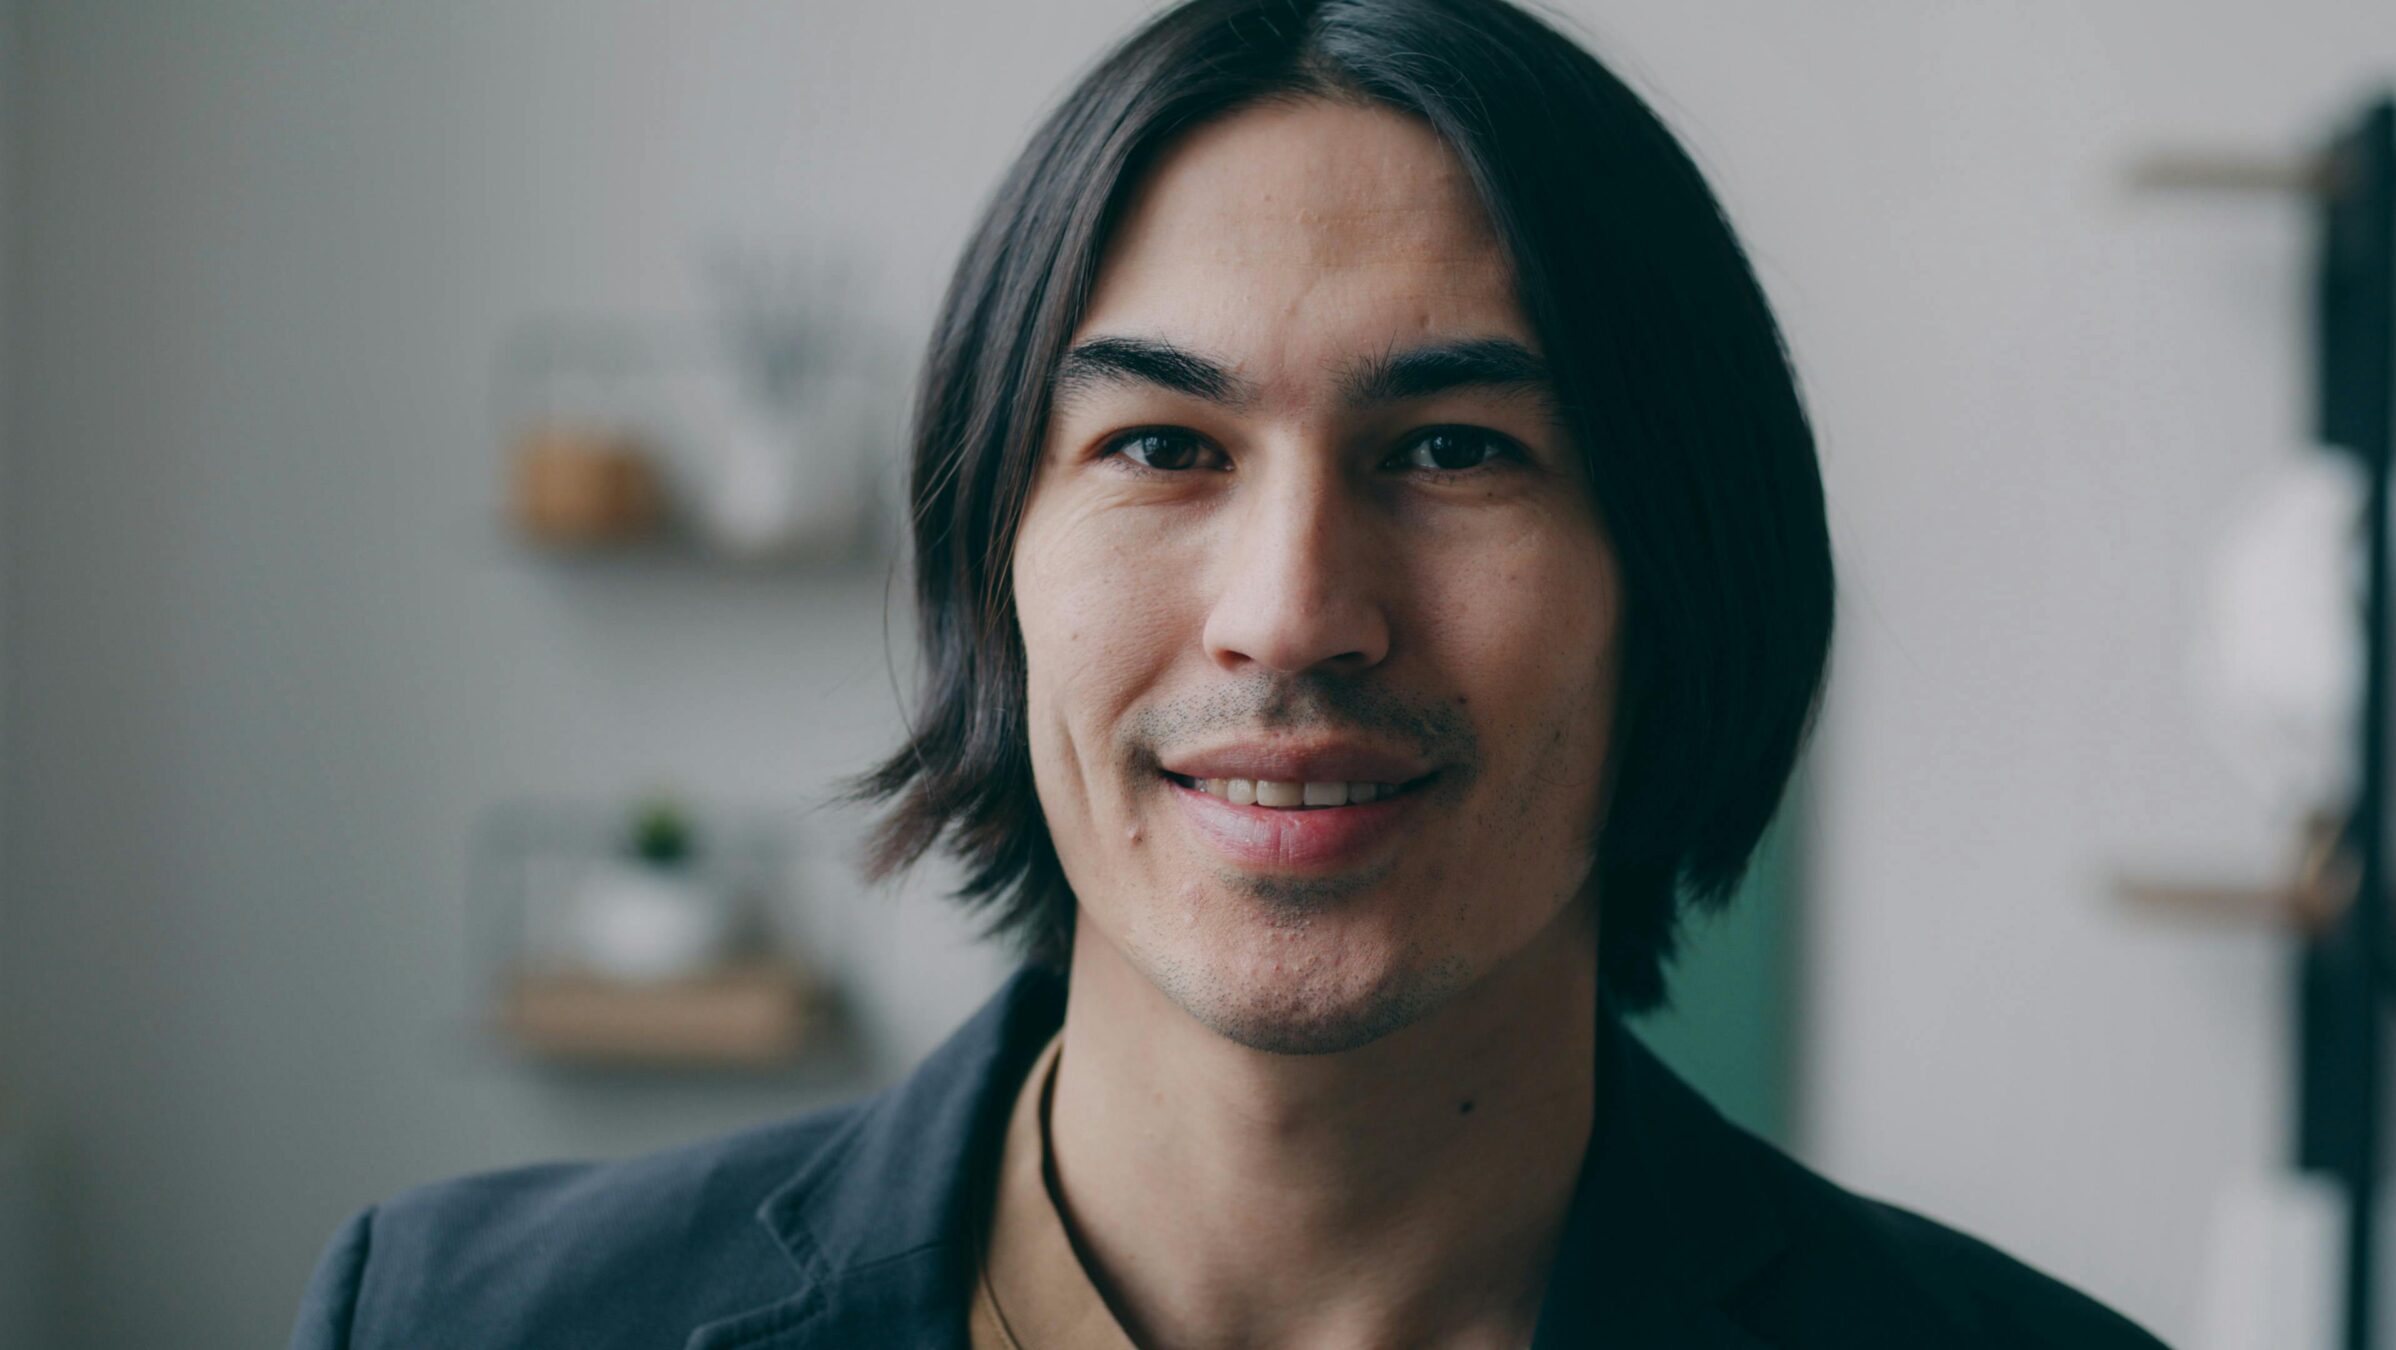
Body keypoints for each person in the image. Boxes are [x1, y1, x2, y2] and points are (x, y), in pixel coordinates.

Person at [291, 0, 2172, 1345]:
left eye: (1452, 452)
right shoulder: (453, 1319)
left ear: (1681, 577)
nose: (1292, 611)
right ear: (993, 567)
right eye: (1161, 448)